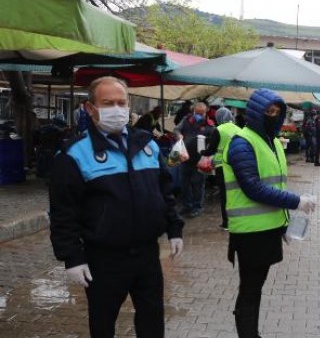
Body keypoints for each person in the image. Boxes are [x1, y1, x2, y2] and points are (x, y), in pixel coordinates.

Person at [49, 76, 184, 338]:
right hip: (104, 259)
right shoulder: (74, 154)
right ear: (90, 108)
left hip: (147, 254)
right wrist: (72, 258)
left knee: (152, 319)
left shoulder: (147, 144)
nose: (116, 109)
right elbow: (63, 212)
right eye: (107, 103)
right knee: (103, 323)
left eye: (121, 103)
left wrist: (175, 227)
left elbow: (165, 192)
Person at [223, 88, 316, 338]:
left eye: (277, 111)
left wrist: (286, 224)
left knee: (256, 287)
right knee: (250, 289)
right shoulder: (242, 142)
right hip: (250, 232)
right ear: (255, 113)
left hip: (268, 228)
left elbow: (275, 185)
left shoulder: (273, 142)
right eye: (268, 111)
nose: (273, 116)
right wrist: (296, 201)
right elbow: (253, 187)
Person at [201, 107, 242, 230]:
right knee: (236, 193)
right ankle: (237, 220)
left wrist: (202, 152)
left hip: (222, 167)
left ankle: (226, 223)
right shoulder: (239, 129)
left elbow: (211, 150)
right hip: (237, 166)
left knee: (224, 195)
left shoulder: (218, 129)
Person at [174, 102, 216, 218]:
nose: (199, 115)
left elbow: (215, 140)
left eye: (201, 113)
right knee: (184, 184)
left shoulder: (210, 125)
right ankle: (187, 206)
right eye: (197, 113)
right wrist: (178, 135)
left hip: (199, 161)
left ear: (205, 112)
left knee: (198, 185)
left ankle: (197, 207)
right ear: (193, 111)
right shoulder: (186, 119)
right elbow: (176, 130)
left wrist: (207, 140)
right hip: (185, 158)